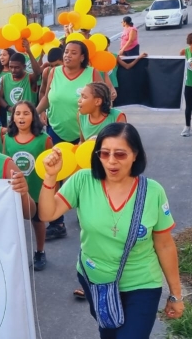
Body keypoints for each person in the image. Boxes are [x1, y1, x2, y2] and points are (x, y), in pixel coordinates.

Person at [38, 123, 184, 336]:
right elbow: (47, 214)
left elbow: (164, 245)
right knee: (108, 334)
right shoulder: (83, 180)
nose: (111, 161)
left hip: (142, 284)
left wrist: (176, 295)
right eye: (104, 153)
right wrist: (50, 177)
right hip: (95, 281)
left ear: (135, 155)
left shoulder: (153, 192)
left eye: (120, 154)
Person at [36, 41, 107, 240]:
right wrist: (35, 113)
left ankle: (90, 218)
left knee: (88, 176)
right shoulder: (53, 72)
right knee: (54, 174)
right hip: (55, 130)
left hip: (85, 134)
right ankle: (57, 224)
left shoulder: (92, 74)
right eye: (66, 51)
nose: (67, 55)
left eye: (73, 53)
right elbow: (47, 97)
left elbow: (104, 98)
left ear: (82, 57)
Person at [0, 101, 53, 271]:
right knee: (12, 223)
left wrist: (52, 189)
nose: (21, 117)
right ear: (13, 118)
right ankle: (14, 255)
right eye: (17, 113)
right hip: (14, 188)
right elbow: (4, 161)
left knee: (37, 221)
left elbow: (51, 167)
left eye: (26, 113)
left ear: (33, 116)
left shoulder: (44, 139)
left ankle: (40, 251)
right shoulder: (7, 138)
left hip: (36, 188)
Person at [0, 49, 40, 124]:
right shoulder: (4, 79)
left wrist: (29, 53)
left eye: (17, 67)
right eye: (11, 67)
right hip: (11, 119)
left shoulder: (30, 78)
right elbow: (0, 97)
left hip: (29, 120)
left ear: (24, 67)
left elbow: (37, 73)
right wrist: (9, 108)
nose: (13, 70)